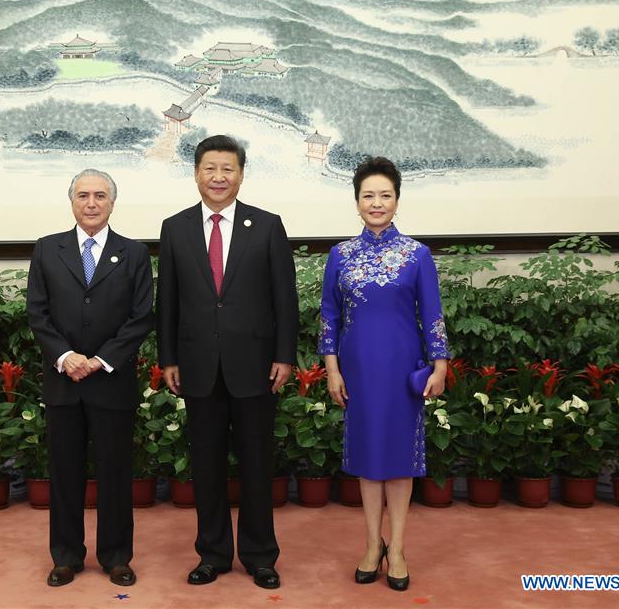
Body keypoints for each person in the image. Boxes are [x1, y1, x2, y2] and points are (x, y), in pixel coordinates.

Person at [156, 134, 299, 590]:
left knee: (258, 465)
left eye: (228, 169)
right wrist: (168, 358)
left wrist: (284, 355)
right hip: (198, 365)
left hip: (256, 365)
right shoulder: (175, 227)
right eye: (210, 168)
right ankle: (213, 554)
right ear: (196, 173)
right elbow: (168, 303)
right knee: (207, 466)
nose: (219, 177)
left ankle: (260, 556)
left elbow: (285, 299)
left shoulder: (268, 225)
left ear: (241, 174)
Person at [319, 156, 449, 592]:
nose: (376, 203)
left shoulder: (417, 254)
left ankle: (397, 547)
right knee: (368, 460)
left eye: (385, 195)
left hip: (402, 369)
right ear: (356, 202)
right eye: (368, 195)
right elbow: (329, 318)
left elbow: (432, 315)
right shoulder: (340, 255)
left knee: (398, 461)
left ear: (397, 201)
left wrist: (441, 365)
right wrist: (332, 370)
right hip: (356, 369)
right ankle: (371, 545)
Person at [27, 169, 154, 589]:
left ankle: (116, 556)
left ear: (113, 203)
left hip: (111, 382)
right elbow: (37, 313)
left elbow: (141, 318)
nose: (92, 203)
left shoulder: (133, 253)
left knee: (116, 472)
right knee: (64, 473)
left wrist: (100, 360)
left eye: (100, 195)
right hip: (64, 380)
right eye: (83, 195)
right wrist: (66, 357)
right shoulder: (48, 250)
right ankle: (66, 557)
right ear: (72, 202)